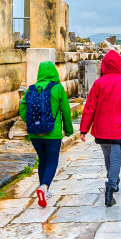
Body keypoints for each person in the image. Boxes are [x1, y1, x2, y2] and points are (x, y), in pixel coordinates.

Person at [79, 50, 121, 207]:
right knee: (116, 158)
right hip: (120, 128)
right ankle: (110, 186)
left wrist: (84, 129)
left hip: (102, 129)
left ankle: (113, 178)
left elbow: (90, 107)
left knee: (108, 157)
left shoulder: (98, 83)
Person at [19, 60, 74, 208]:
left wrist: (32, 123)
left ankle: (43, 189)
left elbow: (22, 110)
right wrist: (68, 130)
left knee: (42, 160)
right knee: (52, 162)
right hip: (53, 133)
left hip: (34, 134)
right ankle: (44, 187)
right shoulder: (57, 88)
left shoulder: (31, 89)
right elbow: (66, 111)